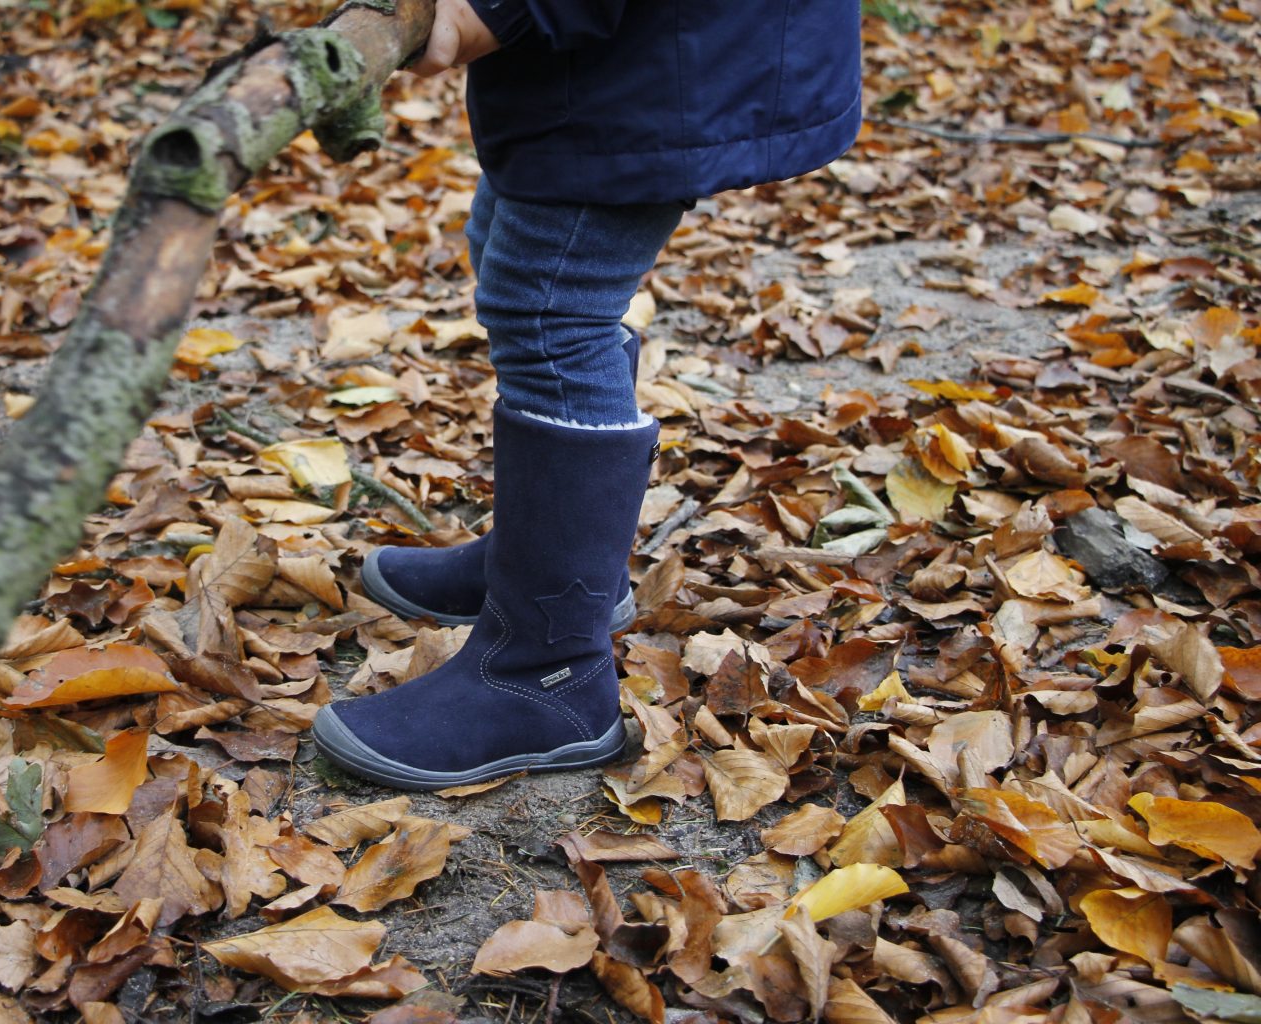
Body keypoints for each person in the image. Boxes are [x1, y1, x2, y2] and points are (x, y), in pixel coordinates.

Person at [311, 0, 863, 790]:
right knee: (510, 244)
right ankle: (554, 575)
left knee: (552, 308)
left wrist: (494, 8)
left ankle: (546, 671)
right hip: (619, 46)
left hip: (652, 47)